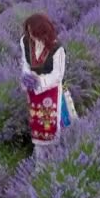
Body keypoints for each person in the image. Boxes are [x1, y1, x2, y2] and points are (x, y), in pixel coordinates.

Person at [20, 13, 69, 146]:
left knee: (54, 128)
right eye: (29, 32)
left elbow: (58, 75)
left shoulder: (57, 48)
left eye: (33, 32)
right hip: (34, 94)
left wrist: (39, 82)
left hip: (51, 92)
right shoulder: (26, 41)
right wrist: (27, 77)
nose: (31, 36)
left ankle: (58, 156)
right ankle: (40, 160)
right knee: (37, 126)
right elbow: (25, 62)